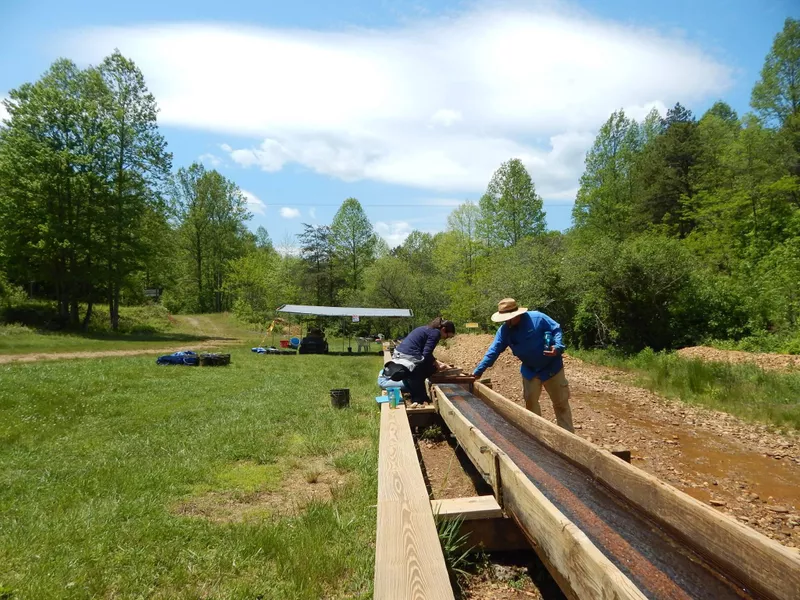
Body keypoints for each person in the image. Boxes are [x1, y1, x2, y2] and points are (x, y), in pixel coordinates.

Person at [472, 298, 574, 432]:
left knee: (561, 403)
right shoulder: (504, 331)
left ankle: (568, 437)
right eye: (504, 319)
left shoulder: (538, 318)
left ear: (518, 314)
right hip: (530, 371)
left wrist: (558, 346)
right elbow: (493, 351)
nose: (507, 321)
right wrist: (478, 371)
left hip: (552, 368)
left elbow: (556, 330)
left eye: (510, 318)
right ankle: (537, 435)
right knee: (531, 404)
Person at [388, 317, 456, 405]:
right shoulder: (436, 333)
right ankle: (419, 399)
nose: (445, 339)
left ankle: (415, 395)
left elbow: (425, 352)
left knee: (413, 373)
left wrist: (437, 362)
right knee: (424, 371)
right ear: (443, 329)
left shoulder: (426, 329)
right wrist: (436, 366)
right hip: (409, 356)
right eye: (447, 336)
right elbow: (426, 355)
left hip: (399, 354)